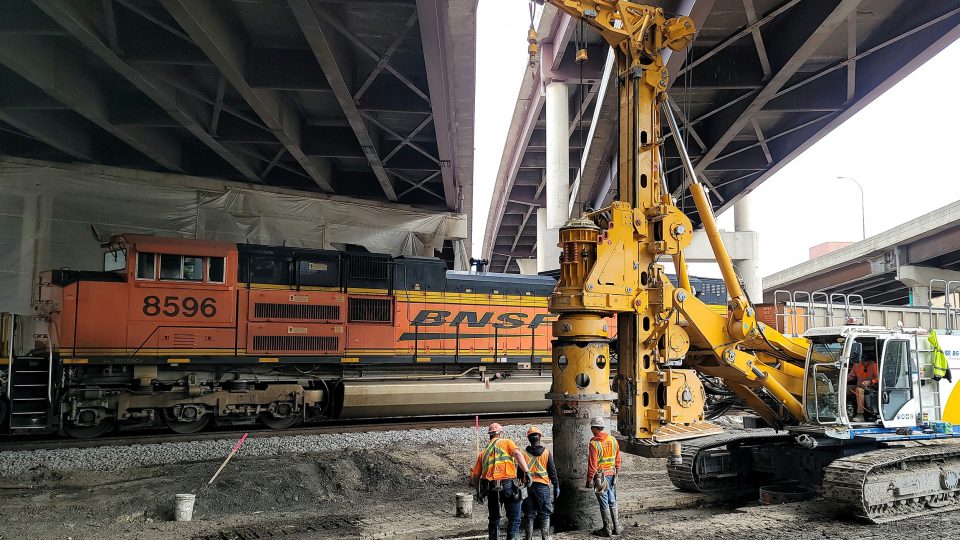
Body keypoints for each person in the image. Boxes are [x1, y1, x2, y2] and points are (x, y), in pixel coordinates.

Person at [471, 422, 532, 540]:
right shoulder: (506, 442)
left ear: (490, 435)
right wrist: (526, 472)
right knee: (514, 519)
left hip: (491, 488)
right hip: (509, 485)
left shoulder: (483, 453)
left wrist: (479, 492)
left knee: (494, 520)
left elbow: (475, 476)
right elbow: (518, 453)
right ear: (500, 434)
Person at [585, 416, 621, 537]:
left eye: (592, 428)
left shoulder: (594, 443)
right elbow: (618, 458)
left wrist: (589, 479)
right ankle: (616, 527)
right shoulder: (613, 440)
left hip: (600, 477)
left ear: (595, 429)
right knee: (612, 500)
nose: (591, 430)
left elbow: (592, 464)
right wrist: (617, 472)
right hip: (612, 474)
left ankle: (607, 529)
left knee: (603, 502)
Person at [521, 426, 559, 540]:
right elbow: (552, 472)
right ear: (540, 438)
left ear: (529, 438)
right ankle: (545, 537)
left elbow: (519, 472)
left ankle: (529, 538)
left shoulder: (523, 453)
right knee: (544, 513)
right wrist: (556, 486)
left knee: (529, 513)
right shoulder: (546, 453)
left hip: (528, 487)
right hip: (542, 487)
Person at [848, 349, 879, 422]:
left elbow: (879, 378)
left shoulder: (874, 365)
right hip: (859, 385)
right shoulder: (857, 365)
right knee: (844, 390)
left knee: (859, 390)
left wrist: (871, 381)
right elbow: (850, 376)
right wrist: (840, 381)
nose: (866, 363)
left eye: (868, 362)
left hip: (871, 387)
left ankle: (860, 415)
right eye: (864, 362)